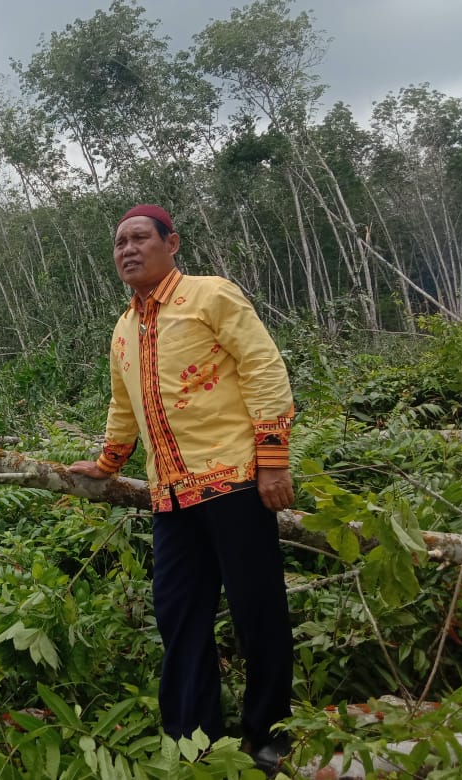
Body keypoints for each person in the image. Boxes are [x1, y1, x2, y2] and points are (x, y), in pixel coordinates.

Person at [69, 204, 294, 773]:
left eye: (140, 238)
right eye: (119, 243)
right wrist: (107, 462)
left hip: (234, 482)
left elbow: (263, 367)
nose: (127, 250)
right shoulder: (123, 329)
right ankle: (192, 741)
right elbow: (125, 406)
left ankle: (269, 739)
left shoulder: (210, 295)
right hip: (168, 497)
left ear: (173, 243)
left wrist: (272, 459)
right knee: (178, 614)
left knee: (256, 611)